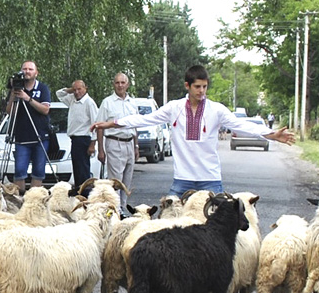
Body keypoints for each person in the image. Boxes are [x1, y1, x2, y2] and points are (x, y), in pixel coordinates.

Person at [91, 65, 295, 195]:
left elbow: (242, 126)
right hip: (182, 180)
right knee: (169, 224)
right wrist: (109, 124)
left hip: (210, 180)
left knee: (217, 233)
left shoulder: (216, 109)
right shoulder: (174, 108)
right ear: (187, 86)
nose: (202, 91)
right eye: (197, 87)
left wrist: (272, 135)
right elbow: (144, 119)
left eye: (205, 87)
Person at [94, 73, 139, 211]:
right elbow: (100, 126)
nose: (120, 85)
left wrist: (136, 146)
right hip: (114, 142)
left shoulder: (132, 103)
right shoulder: (107, 102)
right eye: (117, 82)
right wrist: (101, 150)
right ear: (113, 84)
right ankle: (115, 210)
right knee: (115, 181)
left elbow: (135, 125)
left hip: (130, 143)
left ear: (128, 84)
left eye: (123, 82)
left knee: (127, 180)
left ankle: (123, 208)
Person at [6, 60, 51, 193]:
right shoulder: (17, 88)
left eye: (30, 69)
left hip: (40, 137)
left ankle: (34, 199)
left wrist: (28, 98)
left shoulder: (42, 88)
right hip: (21, 137)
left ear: (36, 73)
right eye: (24, 69)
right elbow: (10, 112)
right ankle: (19, 199)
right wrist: (13, 96)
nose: (27, 71)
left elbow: (45, 109)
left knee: (38, 171)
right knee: (19, 171)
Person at [56, 80, 99, 190]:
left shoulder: (89, 103)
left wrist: (92, 144)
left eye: (79, 89)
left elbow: (96, 124)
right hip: (75, 139)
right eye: (74, 90)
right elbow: (59, 94)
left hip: (84, 138)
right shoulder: (72, 100)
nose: (77, 92)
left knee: (83, 169)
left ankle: (85, 192)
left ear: (85, 89)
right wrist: (70, 90)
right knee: (77, 169)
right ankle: (80, 190)